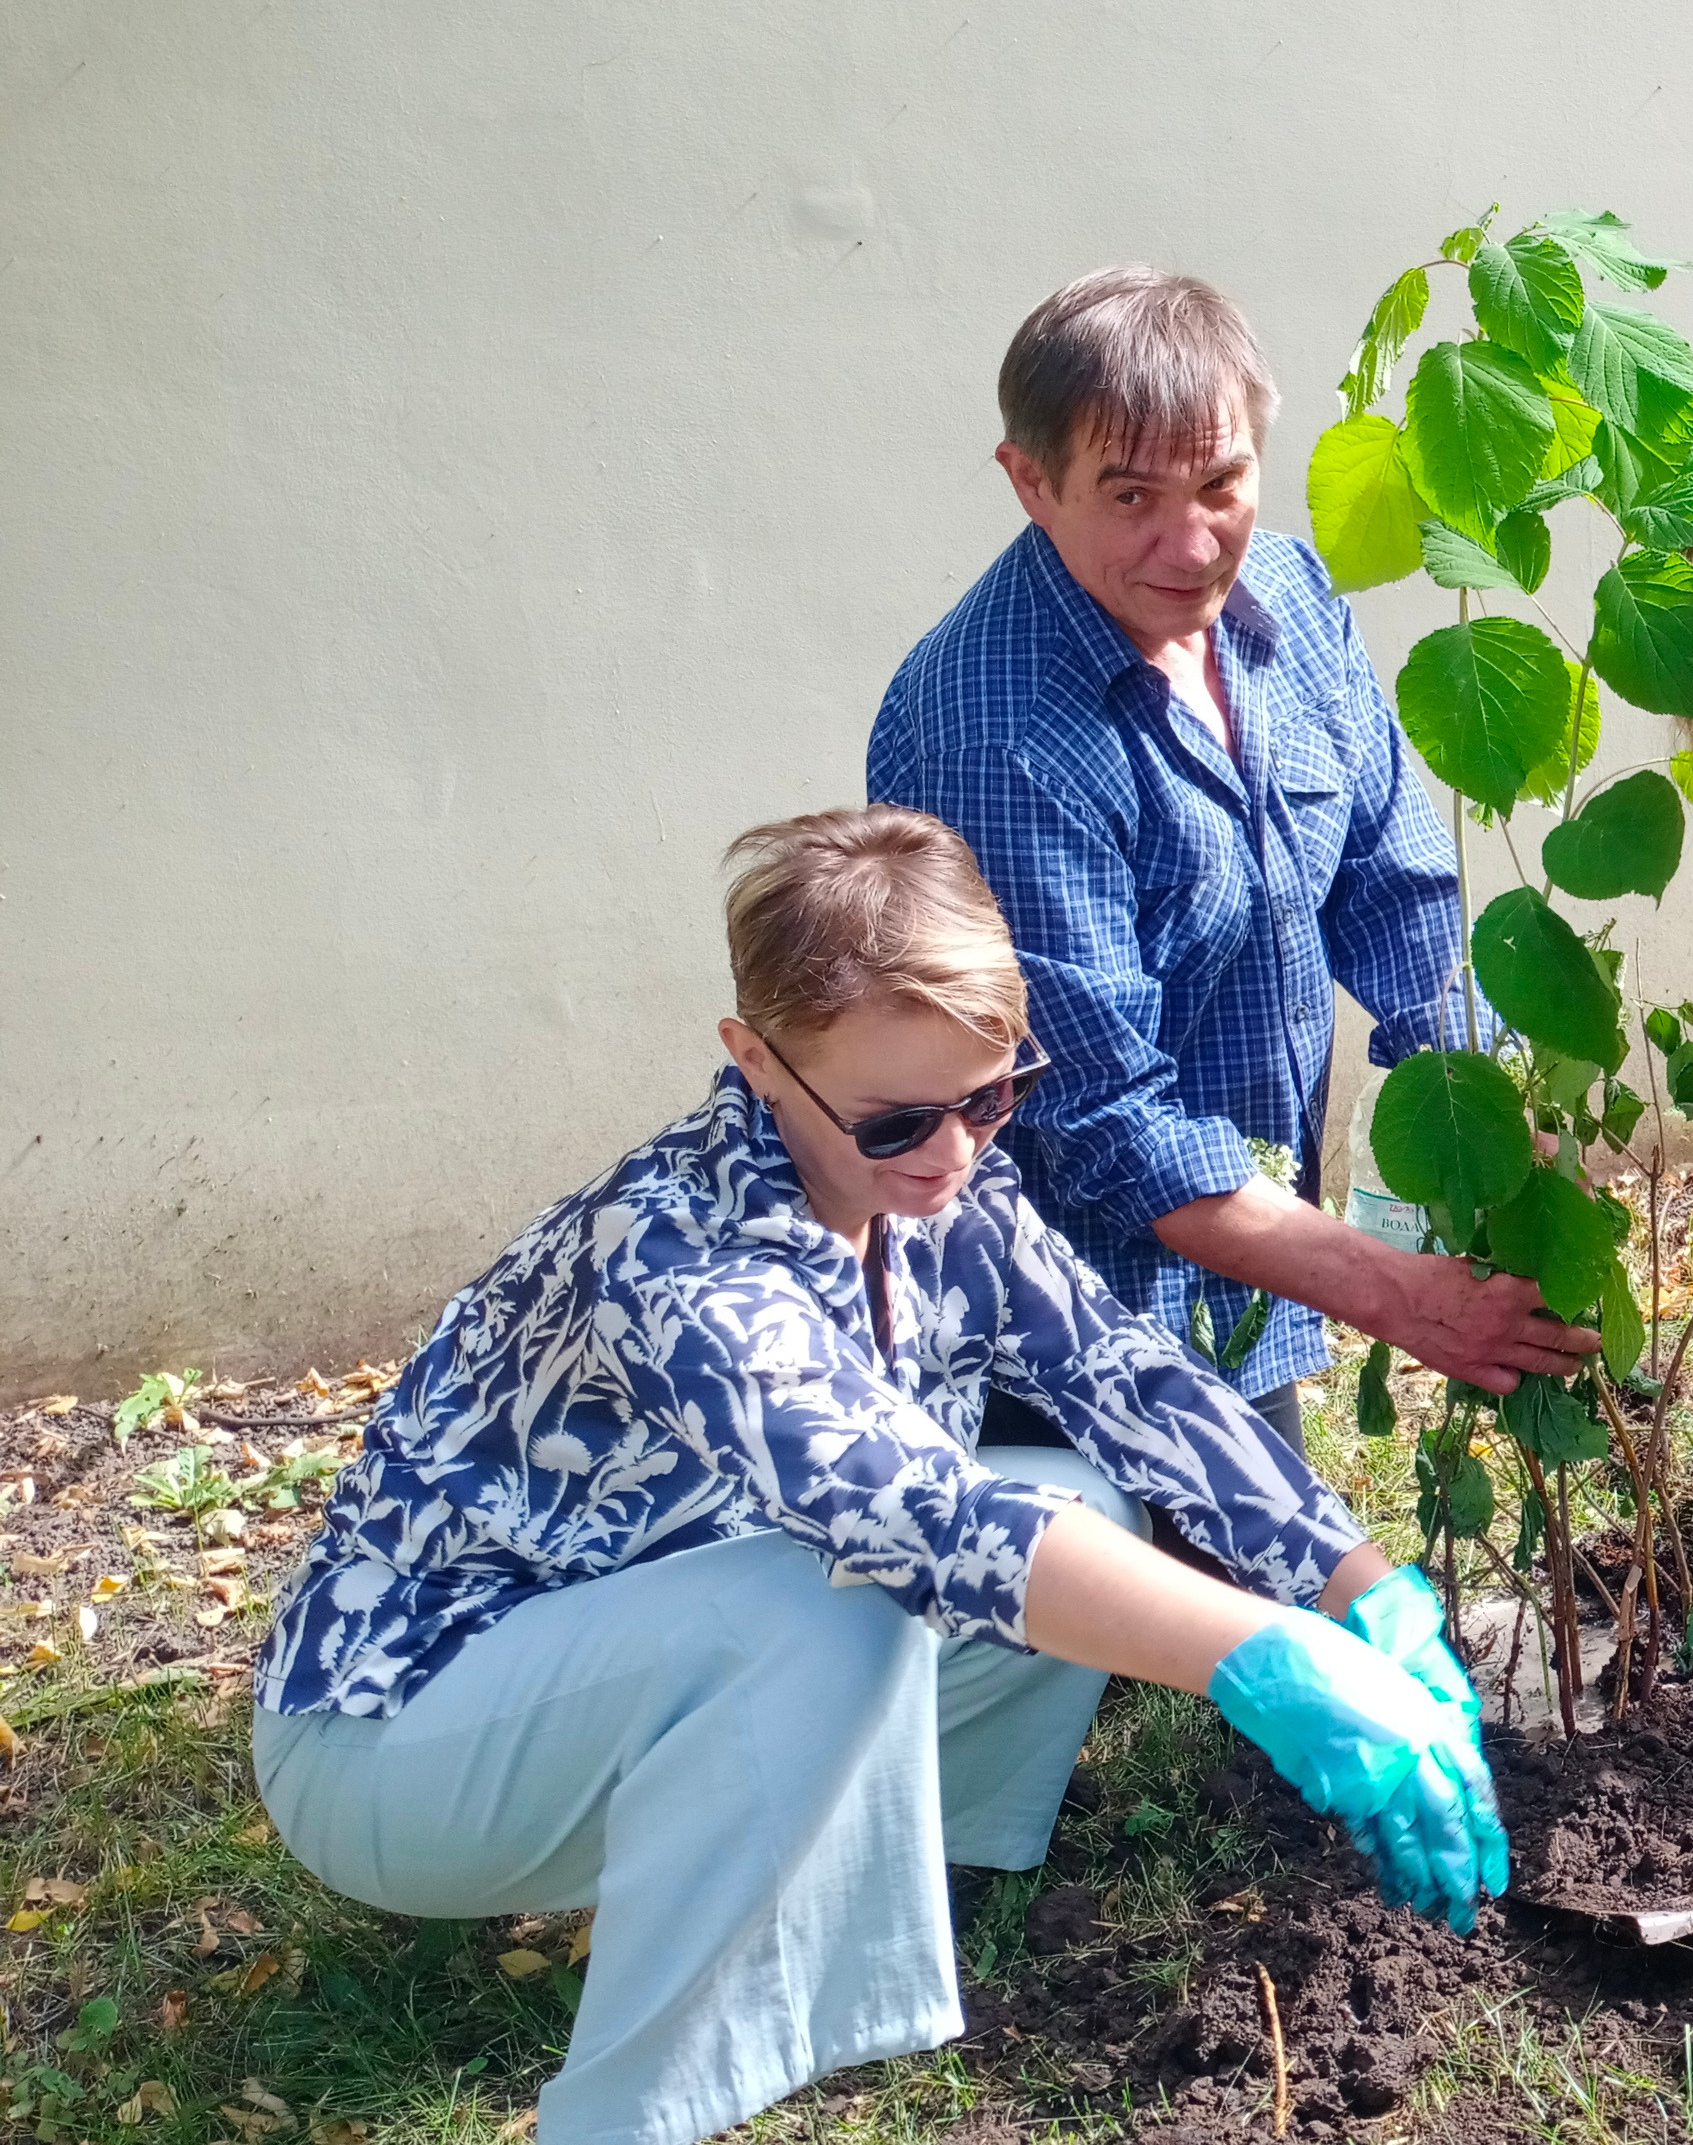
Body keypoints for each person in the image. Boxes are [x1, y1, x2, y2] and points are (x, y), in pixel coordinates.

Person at [254, 808, 1508, 2145]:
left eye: (990, 1094)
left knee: (1088, 1513)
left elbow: (1125, 1376)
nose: (954, 1153)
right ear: (754, 1058)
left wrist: (1364, 1586)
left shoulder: (946, 1190)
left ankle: (909, 1868)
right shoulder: (679, 1258)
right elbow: (921, 1519)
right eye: (898, 1118)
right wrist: (1261, 1653)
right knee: (833, 1599)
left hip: (603, 1675)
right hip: (401, 1741)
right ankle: (628, 2115)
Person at [870, 265, 1595, 1453]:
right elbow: (1107, 1125)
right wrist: (1400, 1293)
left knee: (1261, 1599)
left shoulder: (1293, 601)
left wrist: (1509, 1120)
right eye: (1132, 496)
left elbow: (1396, 895)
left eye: (1222, 483)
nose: (1193, 542)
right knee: (1168, 1625)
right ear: (1031, 482)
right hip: (1060, 1329)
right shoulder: (996, 732)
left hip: (1240, 1270)